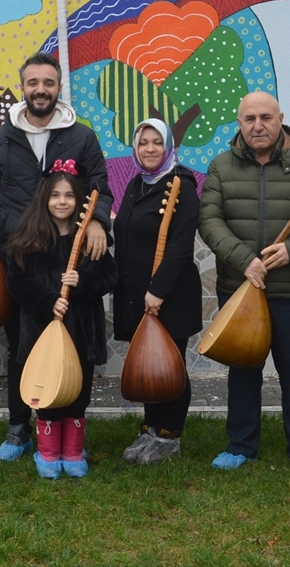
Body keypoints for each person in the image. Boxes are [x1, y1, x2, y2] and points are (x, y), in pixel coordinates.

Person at [0, 52, 112, 461]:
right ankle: (19, 428)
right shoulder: (2, 138)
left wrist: (98, 220)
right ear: (24, 86)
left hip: (68, 259)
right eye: (33, 83)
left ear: (59, 87)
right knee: (22, 346)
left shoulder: (80, 135)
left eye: (48, 83)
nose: (40, 90)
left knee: (72, 346)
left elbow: (100, 183)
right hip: (21, 257)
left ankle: (68, 426)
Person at [198, 91, 290, 473]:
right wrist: (245, 260)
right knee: (243, 370)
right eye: (249, 119)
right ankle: (241, 444)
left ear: (280, 119)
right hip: (241, 290)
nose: (257, 125)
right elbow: (209, 221)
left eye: (265, 117)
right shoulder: (220, 167)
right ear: (239, 123)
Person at [6, 167, 117, 478]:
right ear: (45, 199)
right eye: (55, 195)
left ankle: (72, 451)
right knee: (48, 392)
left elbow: (110, 276)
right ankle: (48, 453)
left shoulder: (89, 240)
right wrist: (48, 301)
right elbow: (16, 281)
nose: (62, 201)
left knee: (77, 392)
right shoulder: (28, 238)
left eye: (69, 195)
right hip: (44, 332)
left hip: (82, 331)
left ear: (80, 201)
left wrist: (81, 282)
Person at [112, 118, 202, 465]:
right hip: (136, 293)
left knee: (170, 364)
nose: (149, 149)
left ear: (168, 147)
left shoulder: (182, 185)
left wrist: (158, 291)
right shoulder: (137, 184)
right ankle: (150, 428)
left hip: (169, 296)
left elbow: (180, 245)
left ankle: (169, 435)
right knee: (149, 364)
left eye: (156, 143)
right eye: (143, 142)